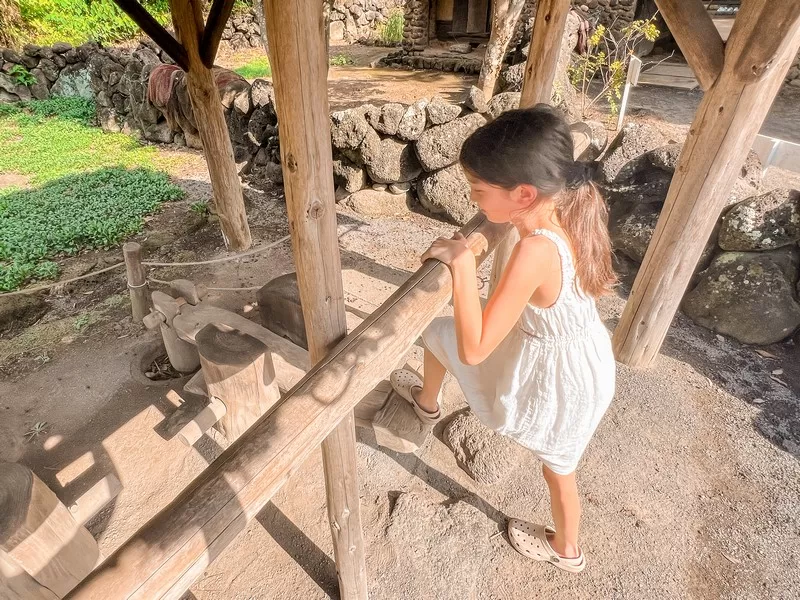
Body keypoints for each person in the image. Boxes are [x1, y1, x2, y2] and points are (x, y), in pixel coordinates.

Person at [390, 105, 616, 573]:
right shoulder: (565, 206)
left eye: (478, 190)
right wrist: (481, 237)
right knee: (438, 334)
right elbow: (505, 221)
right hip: (582, 359)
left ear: (524, 193)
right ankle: (426, 403)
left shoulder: (536, 249)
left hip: (562, 382)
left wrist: (462, 264)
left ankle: (567, 550)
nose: (473, 200)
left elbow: (475, 348)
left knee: (558, 469)